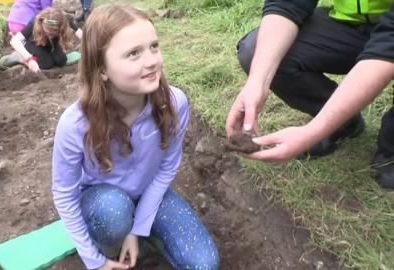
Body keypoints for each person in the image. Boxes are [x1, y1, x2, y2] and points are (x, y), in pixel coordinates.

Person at [52, 4, 219, 270]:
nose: (152, 60)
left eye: (154, 46)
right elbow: (64, 194)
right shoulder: (75, 124)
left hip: (150, 194)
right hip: (103, 202)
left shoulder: (175, 103)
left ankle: (143, 234)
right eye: (133, 53)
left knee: (204, 263)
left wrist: (138, 228)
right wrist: (95, 261)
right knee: (113, 214)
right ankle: (110, 251)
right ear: (102, 69)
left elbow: (167, 168)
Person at [226, 0, 394, 188]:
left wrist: (313, 131)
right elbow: (288, 4)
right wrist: (257, 81)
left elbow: (387, 50)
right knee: (254, 51)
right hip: (351, 25)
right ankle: (344, 123)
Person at [0, 7, 82, 72]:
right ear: (42, 24)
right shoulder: (35, 22)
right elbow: (14, 41)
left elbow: (80, 33)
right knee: (46, 64)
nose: (49, 35)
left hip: (50, 44)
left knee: (61, 61)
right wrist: (29, 59)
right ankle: (18, 56)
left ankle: (48, 55)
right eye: (47, 32)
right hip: (33, 43)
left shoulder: (63, 19)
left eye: (53, 33)